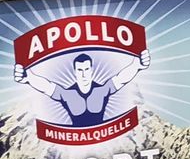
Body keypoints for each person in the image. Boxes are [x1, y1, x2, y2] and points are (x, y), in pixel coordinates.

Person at [14, 48, 148, 126]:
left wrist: (136, 66)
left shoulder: (101, 91)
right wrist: (29, 78)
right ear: (75, 71)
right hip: (74, 148)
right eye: (80, 70)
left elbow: (120, 79)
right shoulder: (68, 95)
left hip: (105, 141)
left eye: (86, 69)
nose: (83, 74)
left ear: (91, 70)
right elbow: (47, 87)